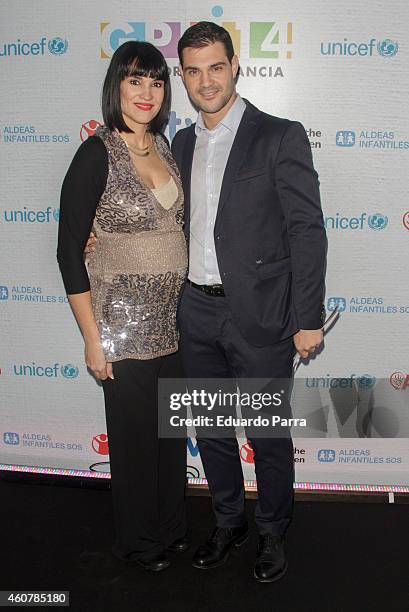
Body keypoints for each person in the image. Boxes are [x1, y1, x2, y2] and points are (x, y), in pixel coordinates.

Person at [171, 22, 327, 583]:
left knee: (266, 433)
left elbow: (307, 231)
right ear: (182, 76)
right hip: (196, 312)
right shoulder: (181, 143)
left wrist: (308, 318)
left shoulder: (279, 135)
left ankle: (271, 531)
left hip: (261, 314)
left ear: (236, 66)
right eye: (193, 70)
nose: (206, 80)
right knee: (210, 429)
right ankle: (229, 521)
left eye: (216, 66)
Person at [57, 41, 189, 573]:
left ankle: (171, 527)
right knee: (135, 443)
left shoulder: (167, 147)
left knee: (169, 435)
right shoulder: (96, 152)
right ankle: (138, 542)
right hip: (122, 323)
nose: (146, 93)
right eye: (136, 81)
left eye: (156, 82)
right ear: (116, 87)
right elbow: (69, 250)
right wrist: (94, 338)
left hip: (176, 322)